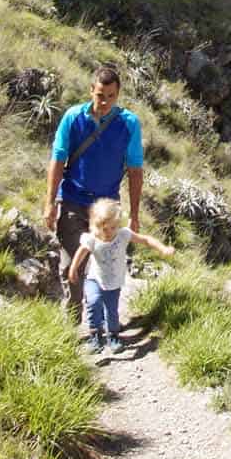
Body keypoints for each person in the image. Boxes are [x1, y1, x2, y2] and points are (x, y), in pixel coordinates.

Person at [45, 65, 144, 321]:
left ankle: (101, 321)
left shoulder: (129, 123)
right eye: (100, 95)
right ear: (91, 90)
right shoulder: (73, 117)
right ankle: (73, 319)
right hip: (72, 201)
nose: (104, 101)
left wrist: (134, 215)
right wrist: (49, 204)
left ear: (118, 95)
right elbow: (57, 160)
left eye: (111, 96)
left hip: (106, 209)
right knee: (70, 265)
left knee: (104, 265)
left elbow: (135, 170)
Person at [68, 198, 174, 352]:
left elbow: (145, 240)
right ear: (95, 226)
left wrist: (162, 248)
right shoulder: (92, 238)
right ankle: (95, 335)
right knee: (93, 301)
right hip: (95, 279)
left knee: (111, 311)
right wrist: (73, 268)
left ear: (118, 224)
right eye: (104, 229)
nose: (109, 233)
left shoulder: (123, 234)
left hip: (114, 283)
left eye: (113, 228)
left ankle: (113, 336)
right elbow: (81, 252)